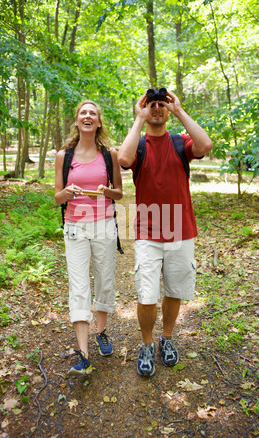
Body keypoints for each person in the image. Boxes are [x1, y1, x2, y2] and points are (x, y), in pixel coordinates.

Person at [117, 88, 212, 377]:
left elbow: (205, 145)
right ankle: (147, 344)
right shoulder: (140, 144)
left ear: (168, 109)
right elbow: (122, 159)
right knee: (147, 293)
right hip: (148, 231)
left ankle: (166, 338)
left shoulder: (180, 142)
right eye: (152, 105)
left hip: (181, 230)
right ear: (145, 109)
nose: (157, 109)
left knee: (174, 290)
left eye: (162, 105)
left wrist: (179, 110)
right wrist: (138, 118)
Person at [55, 100, 123, 376]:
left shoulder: (110, 154)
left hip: (104, 225)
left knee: (105, 281)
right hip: (74, 226)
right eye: (83, 112)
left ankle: (101, 332)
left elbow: (119, 192)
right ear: (77, 120)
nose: (87, 116)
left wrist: (106, 191)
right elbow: (57, 196)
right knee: (79, 285)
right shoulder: (64, 156)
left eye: (92, 113)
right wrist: (67, 194)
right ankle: (83, 353)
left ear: (98, 121)